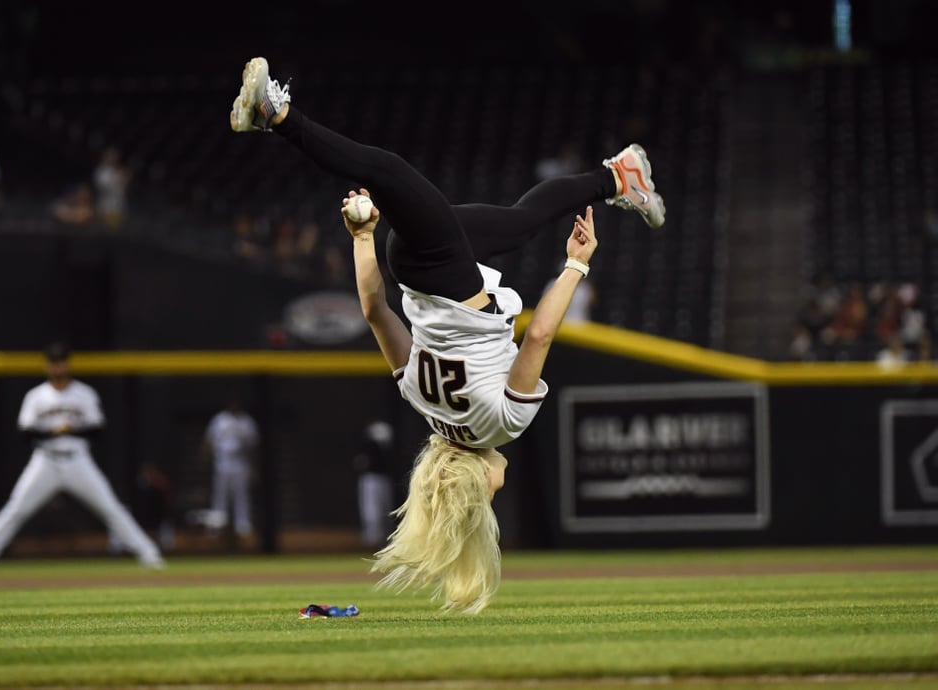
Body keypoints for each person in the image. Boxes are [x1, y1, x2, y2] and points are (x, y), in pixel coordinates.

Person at [229, 55, 663, 613]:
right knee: (517, 222)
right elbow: (372, 308)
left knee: (388, 171)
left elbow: (537, 339)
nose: (496, 492)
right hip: (410, 266)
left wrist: (576, 266)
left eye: (487, 498)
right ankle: (620, 177)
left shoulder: (501, 425)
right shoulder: (421, 403)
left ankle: (278, 115)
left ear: (478, 482)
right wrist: (364, 236)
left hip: (442, 270)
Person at [0, 342, 165, 574]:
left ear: (67, 364)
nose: (58, 366)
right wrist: (55, 431)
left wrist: (66, 430)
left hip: (78, 459)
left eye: (61, 361)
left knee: (111, 508)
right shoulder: (36, 396)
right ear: (48, 366)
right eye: (53, 362)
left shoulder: (84, 393)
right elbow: (26, 432)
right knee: (15, 510)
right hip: (45, 461)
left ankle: (149, 554)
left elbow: (97, 429)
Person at [199, 396, 260, 542]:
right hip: (221, 462)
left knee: (241, 495)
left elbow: (254, 446)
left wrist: (254, 466)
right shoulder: (219, 420)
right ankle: (217, 527)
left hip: (240, 463)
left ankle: (243, 526)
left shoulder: (247, 421)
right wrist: (205, 459)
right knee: (220, 496)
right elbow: (208, 442)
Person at [353, 419, 397, 548]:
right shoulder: (368, 449)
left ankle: (383, 539)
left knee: (385, 510)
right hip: (370, 481)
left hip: (382, 480)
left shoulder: (385, 450)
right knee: (371, 510)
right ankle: (371, 540)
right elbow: (360, 464)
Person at [93, 147, 131, 231]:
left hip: (119, 206)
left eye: (115, 156)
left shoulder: (118, 171)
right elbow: (104, 189)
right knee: (105, 232)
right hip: (106, 207)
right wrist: (119, 179)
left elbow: (125, 188)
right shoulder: (101, 171)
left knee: (117, 232)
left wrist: (125, 178)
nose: (113, 158)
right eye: (111, 156)